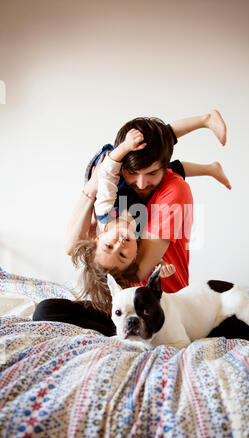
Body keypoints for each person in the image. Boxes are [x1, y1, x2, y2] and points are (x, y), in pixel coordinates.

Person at [33, 110, 229, 333]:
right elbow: (70, 246)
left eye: (153, 173)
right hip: (120, 305)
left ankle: (128, 331)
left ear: (165, 167)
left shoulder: (174, 188)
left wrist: (110, 267)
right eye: (132, 173)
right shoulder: (112, 202)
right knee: (46, 310)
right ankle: (115, 330)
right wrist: (91, 187)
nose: (142, 183)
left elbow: (139, 272)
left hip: (156, 305)